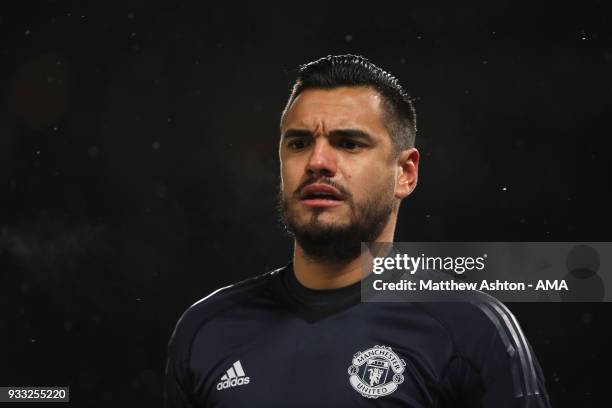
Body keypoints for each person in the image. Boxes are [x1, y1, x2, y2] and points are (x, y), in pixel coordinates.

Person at [164, 54, 552, 407]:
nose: (317, 162)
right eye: (298, 143)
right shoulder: (206, 329)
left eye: (348, 143)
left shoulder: (471, 330)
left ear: (405, 173)